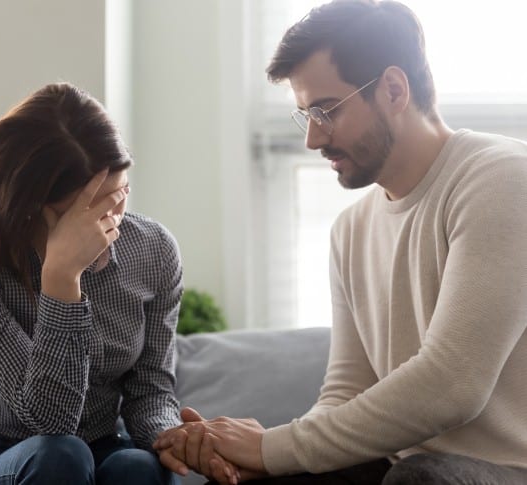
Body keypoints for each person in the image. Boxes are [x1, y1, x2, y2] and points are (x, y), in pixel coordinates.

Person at [153, 1, 527, 483]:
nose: (313, 138)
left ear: (393, 89)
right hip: (403, 466)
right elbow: (345, 393)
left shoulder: (501, 181)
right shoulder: (350, 230)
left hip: (505, 470)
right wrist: (255, 459)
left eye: (326, 110)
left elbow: (454, 383)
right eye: (306, 115)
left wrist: (270, 446)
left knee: (420, 477)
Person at [0, 82, 183, 485]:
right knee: (61, 454)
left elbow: (150, 391)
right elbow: (50, 421)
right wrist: (61, 279)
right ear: (32, 205)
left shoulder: (153, 251)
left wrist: (172, 437)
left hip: (108, 447)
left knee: (140, 467)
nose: (113, 217)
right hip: (6, 459)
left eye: (121, 192)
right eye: (90, 208)